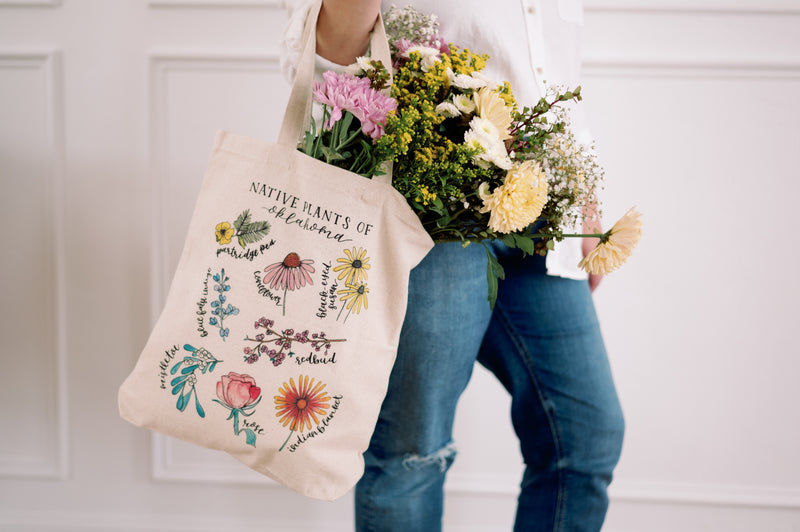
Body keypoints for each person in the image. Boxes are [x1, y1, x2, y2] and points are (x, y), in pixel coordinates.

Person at [281, 1, 625, 530]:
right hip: (427, 211)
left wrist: (586, 203)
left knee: (585, 436)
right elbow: (327, 57)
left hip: (541, 207)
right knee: (411, 452)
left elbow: (550, 65)